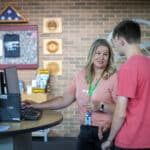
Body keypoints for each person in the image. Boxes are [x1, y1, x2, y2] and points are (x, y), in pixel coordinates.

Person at [24, 39, 117, 150]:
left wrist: (101, 106)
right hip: (85, 129)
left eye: (105, 54)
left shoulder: (114, 77)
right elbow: (63, 100)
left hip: (105, 130)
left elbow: (121, 109)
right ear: (92, 54)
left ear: (109, 57)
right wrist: (37, 105)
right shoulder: (81, 75)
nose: (101, 57)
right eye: (98, 53)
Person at [101, 20, 150, 150]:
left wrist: (110, 139)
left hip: (130, 141)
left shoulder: (128, 68)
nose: (115, 47)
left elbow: (121, 113)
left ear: (121, 40)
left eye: (114, 42)